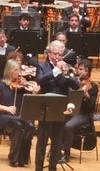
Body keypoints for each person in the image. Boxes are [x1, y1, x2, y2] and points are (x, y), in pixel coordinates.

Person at [35, 40, 79, 171]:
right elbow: (40, 80)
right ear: (49, 54)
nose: (57, 57)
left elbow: (75, 85)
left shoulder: (67, 67)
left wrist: (65, 73)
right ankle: (38, 168)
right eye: (54, 54)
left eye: (59, 55)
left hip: (60, 109)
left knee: (57, 142)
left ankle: (53, 167)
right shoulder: (42, 66)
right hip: (45, 108)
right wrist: (55, 71)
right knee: (41, 142)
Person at [0, 59, 40, 167]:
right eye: (15, 70)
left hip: (17, 116)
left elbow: (32, 98)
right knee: (18, 125)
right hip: (3, 117)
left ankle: (23, 158)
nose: (18, 73)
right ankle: (13, 158)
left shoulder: (21, 86)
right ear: (9, 70)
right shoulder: (1, 85)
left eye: (19, 70)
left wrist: (34, 90)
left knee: (30, 126)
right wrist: (6, 108)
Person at [60, 59, 98, 162]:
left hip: (83, 113)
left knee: (68, 125)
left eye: (81, 69)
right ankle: (57, 149)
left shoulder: (93, 87)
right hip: (70, 110)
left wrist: (86, 95)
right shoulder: (73, 82)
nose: (78, 71)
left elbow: (90, 106)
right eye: (77, 68)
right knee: (54, 120)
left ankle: (66, 153)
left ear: (87, 71)